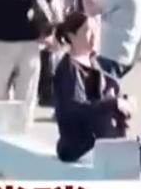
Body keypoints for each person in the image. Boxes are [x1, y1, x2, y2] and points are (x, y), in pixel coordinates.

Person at [53, 9, 133, 163]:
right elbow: (76, 108)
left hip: (101, 141)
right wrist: (112, 104)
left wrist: (124, 102)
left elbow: (107, 91)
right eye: (88, 31)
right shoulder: (69, 68)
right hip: (79, 146)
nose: (94, 36)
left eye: (96, 30)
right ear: (72, 36)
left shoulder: (95, 63)